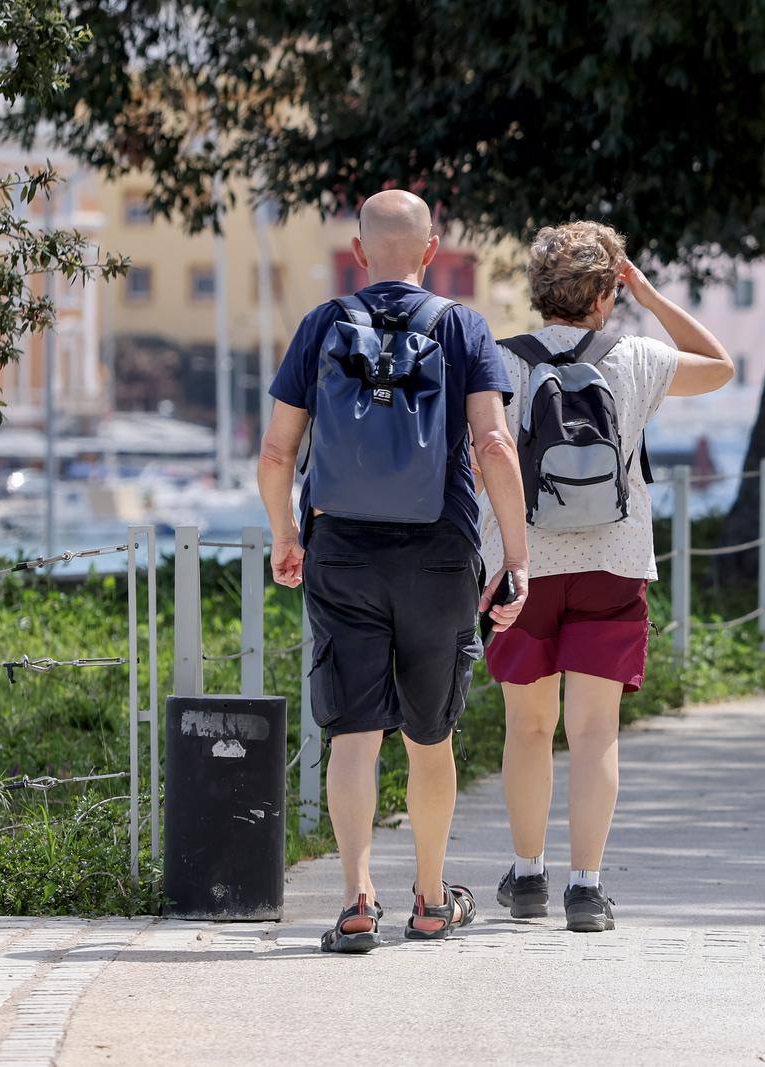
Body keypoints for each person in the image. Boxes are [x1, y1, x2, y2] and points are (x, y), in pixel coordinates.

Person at [258, 189, 529, 952]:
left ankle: (353, 899)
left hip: (340, 550)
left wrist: (286, 534)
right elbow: (496, 446)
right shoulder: (464, 326)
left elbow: (278, 452)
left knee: (353, 735)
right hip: (440, 552)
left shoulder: (321, 325)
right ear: (432, 250)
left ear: (357, 253)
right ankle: (433, 899)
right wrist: (517, 556)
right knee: (429, 737)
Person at [478, 221, 733, 932]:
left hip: (522, 564)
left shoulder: (500, 361)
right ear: (606, 293)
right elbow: (720, 365)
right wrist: (648, 295)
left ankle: (528, 876)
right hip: (613, 564)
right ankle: (586, 890)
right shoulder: (637, 357)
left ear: (537, 291)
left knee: (528, 728)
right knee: (595, 733)